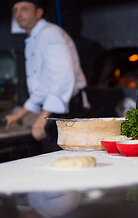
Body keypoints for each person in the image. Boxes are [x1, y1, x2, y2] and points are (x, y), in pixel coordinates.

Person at [6, 0, 90, 153]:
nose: (18, 14)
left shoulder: (50, 34)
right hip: (55, 111)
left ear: (38, 13)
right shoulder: (34, 38)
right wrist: (18, 115)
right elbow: (42, 88)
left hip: (68, 111)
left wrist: (42, 118)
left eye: (24, 9)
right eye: (15, 10)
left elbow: (63, 78)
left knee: (66, 164)